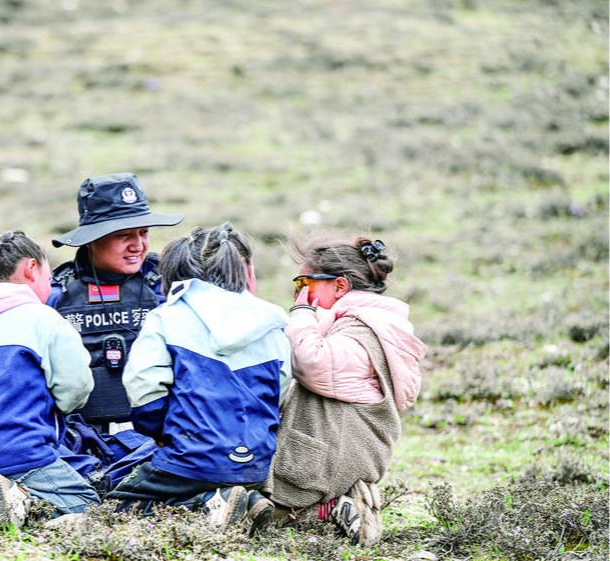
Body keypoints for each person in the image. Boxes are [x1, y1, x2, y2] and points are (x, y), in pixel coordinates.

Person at [105, 223, 291, 534]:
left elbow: (144, 388)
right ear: (242, 269)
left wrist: (160, 433)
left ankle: (208, 504)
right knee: (206, 476)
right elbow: (280, 391)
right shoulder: (273, 322)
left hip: (190, 459)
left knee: (122, 503)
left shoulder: (166, 318)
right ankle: (244, 499)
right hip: (255, 464)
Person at [260, 234, 426, 546]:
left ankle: (336, 508)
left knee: (258, 514)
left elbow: (312, 363)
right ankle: (337, 505)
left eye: (305, 281)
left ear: (339, 285)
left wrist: (301, 313)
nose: (300, 291)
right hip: (339, 453)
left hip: (330, 460)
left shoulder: (361, 332)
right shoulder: (368, 325)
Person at [0, 230, 98, 530]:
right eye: (47, 273)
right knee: (88, 507)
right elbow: (76, 390)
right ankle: (21, 500)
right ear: (31, 269)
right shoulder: (44, 319)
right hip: (21, 455)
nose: (50, 283)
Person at [47, 173, 183, 491]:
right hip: (77, 445)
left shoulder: (167, 291)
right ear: (92, 238)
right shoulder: (54, 296)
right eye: (124, 235)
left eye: (144, 232)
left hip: (156, 442)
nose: (138, 245)